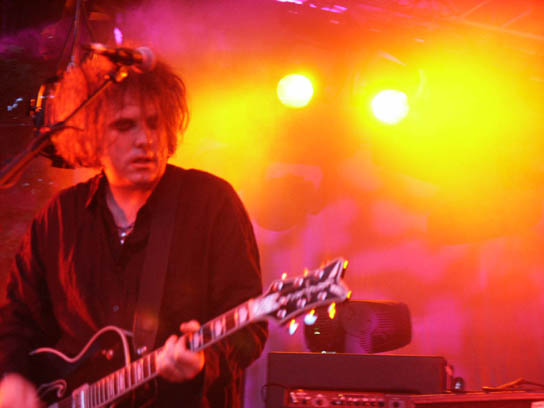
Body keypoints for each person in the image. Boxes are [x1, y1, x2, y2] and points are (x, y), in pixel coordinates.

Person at [0, 52, 267, 407]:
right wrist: (12, 377)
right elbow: (17, 318)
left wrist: (205, 362)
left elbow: (250, 326)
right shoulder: (59, 218)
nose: (146, 140)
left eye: (154, 124)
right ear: (92, 135)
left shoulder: (211, 203)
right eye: (125, 126)